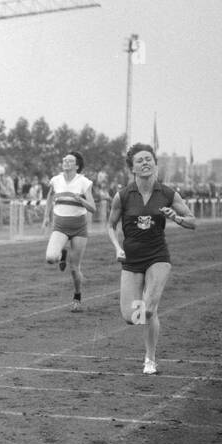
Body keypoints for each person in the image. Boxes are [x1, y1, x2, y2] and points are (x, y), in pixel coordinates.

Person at [107, 143, 196, 375]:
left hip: (158, 256)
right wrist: (117, 247)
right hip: (132, 259)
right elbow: (110, 225)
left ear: (155, 164)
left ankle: (150, 359)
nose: (145, 163)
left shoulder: (167, 193)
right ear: (132, 168)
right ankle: (150, 310)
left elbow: (192, 221)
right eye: (140, 160)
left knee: (147, 310)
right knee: (132, 317)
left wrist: (176, 217)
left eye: (148, 159)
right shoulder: (122, 196)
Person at [44, 150, 97, 311]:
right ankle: (62, 254)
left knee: (74, 269)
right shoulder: (56, 180)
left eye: (70, 160)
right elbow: (49, 198)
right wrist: (46, 216)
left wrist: (81, 200)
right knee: (51, 258)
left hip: (79, 228)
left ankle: (77, 296)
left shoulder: (84, 182)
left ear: (77, 166)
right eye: (64, 160)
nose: (66, 162)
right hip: (60, 226)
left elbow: (93, 208)